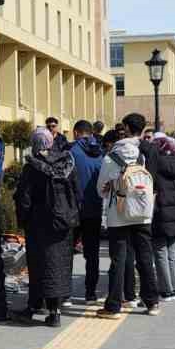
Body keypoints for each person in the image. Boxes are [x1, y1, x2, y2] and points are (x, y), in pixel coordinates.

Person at [98, 113, 161, 318]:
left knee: (119, 259)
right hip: (143, 213)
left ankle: (114, 306)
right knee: (145, 256)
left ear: (124, 128)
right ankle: (152, 302)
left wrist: (111, 186)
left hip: (119, 213)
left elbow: (101, 189)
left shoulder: (111, 156)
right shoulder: (143, 154)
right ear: (142, 129)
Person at [16, 127, 80, 326]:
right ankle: (55, 311)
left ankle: (33, 307)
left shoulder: (32, 167)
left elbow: (24, 198)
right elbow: (77, 194)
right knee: (59, 266)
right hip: (64, 223)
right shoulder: (67, 163)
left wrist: (22, 221)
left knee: (38, 266)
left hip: (39, 224)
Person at [148, 132, 175, 304]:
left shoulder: (156, 165)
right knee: (172, 251)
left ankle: (166, 289)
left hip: (161, 211)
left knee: (160, 251)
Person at [69, 120, 106, 302]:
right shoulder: (100, 152)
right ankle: (90, 292)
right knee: (92, 253)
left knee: (66, 251)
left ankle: (64, 293)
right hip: (95, 208)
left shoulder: (71, 152)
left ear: (76, 133)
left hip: (74, 209)